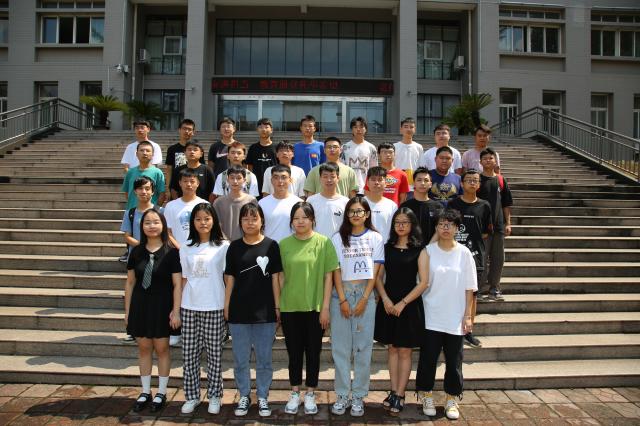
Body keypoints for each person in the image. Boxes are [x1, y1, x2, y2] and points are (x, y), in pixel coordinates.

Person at [278, 202, 339, 415]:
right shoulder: (284, 244)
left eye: (305, 217)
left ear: (312, 219)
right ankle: (295, 392)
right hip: (289, 308)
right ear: (291, 222)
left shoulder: (324, 243)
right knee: (294, 353)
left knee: (314, 352)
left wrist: (325, 308)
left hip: (315, 308)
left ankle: (311, 392)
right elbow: (280, 277)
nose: (300, 221)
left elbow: (329, 277)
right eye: (296, 218)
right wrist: (279, 305)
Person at [417, 209, 477, 421]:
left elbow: (470, 287)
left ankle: (452, 398)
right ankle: (426, 395)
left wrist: (468, 315)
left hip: (455, 316)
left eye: (450, 224)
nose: (445, 228)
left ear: (457, 228)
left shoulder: (464, 253)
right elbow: (421, 283)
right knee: (428, 359)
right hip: (431, 314)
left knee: (454, 361)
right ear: (436, 227)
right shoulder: (428, 251)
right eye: (441, 224)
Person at [223, 203, 282, 417]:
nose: (250, 223)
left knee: (264, 359)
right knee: (241, 359)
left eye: (254, 218)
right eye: (246, 219)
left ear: (261, 221)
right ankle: (244, 395)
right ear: (240, 222)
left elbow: (276, 278)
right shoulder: (234, 247)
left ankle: (263, 396)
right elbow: (229, 278)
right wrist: (227, 305)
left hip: (265, 312)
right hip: (239, 312)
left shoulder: (271, 246)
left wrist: (277, 306)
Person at [329, 196, 384, 417]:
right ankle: (342, 394)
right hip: (340, 295)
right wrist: (342, 299)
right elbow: (335, 269)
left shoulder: (375, 238)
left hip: (365, 295)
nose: (355, 215)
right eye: (351, 211)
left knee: (363, 348)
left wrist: (364, 299)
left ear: (367, 214)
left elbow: (376, 271)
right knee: (340, 349)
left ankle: (359, 395)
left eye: (359, 211)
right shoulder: (337, 238)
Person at [124, 209, 181, 413]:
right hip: (141, 305)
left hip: (162, 306)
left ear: (163, 225)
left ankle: (161, 392)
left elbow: (177, 284)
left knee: (162, 349)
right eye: (147, 222)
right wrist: (128, 311)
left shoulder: (171, 252)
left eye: (156, 222)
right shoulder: (136, 252)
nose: (152, 226)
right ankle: (145, 391)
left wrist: (176, 311)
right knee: (144, 348)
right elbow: (130, 283)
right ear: (142, 227)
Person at [374, 208, 428, 415]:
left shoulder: (420, 250)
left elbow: (424, 282)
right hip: (388, 305)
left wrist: (403, 303)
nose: (401, 225)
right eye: (397, 222)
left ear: (412, 225)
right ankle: (393, 391)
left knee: (405, 351)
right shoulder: (386, 248)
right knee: (392, 349)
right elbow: (378, 278)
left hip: (409, 305)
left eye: (405, 222)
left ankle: (400, 393)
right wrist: (386, 300)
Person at [178, 203, 229, 415]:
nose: (203, 222)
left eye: (207, 218)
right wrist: (176, 308)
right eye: (198, 219)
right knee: (189, 355)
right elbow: (183, 279)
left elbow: (228, 279)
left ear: (214, 221)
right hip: (189, 305)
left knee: (214, 355)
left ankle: (215, 395)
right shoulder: (186, 247)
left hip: (214, 305)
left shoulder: (223, 246)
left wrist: (227, 306)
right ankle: (192, 396)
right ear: (193, 222)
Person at [448, 169, 492, 348]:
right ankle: (450, 329)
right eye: (469, 180)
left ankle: (468, 331)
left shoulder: (485, 205)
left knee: (472, 295)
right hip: (452, 255)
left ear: (479, 184)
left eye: (475, 180)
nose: (472, 183)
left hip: (476, 256)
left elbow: (485, 232)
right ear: (462, 183)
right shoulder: (453, 203)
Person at [478, 148, 513, 302]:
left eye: (491, 158)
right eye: (485, 158)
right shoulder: (476, 179)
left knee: (498, 259)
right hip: (481, 227)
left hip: (498, 226)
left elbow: (506, 203)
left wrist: (508, 223)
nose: (488, 160)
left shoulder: (500, 179)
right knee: (481, 259)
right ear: (480, 162)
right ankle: (478, 289)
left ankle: (495, 289)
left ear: (495, 161)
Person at [164, 168, 207, 249]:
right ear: (180, 183)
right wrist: (180, 248)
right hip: (177, 250)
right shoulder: (170, 206)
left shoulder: (205, 205)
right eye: (185, 181)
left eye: (192, 181)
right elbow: (167, 231)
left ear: (198, 183)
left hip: (200, 250)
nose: (189, 184)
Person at [258, 165, 302, 242]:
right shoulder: (262, 203)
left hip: (292, 247)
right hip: (269, 247)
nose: (280, 181)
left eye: (284, 177)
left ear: (290, 180)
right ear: (271, 180)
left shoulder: (299, 203)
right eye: (276, 177)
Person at [213, 166, 257, 241]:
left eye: (239, 178)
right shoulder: (218, 202)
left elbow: (255, 223)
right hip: (224, 244)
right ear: (227, 180)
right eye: (232, 178)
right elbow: (216, 225)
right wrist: (225, 241)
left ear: (244, 180)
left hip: (247, 243)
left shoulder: (251, 200)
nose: (235, 181)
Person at [400, 168, 443, 244]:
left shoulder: (438, 207)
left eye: (426, 180)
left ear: (430, 184)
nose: (422, 183)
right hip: (409, 248)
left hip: (432, 248)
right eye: (419, 180)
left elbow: (440, 229)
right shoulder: (405, 206)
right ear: (414, 183)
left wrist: (429, 248)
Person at [306, 163, 349, 238]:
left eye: (332, 177)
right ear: (320, 178)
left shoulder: (345, 202)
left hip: (338, 243)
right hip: (316, 243)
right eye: (325, 177)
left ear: (338, 178)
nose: (329, 180)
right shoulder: (311, 201)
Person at [121, 141, 166, 210]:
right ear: (136, 154)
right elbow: (127, 192)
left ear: (153, 154)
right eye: (142, 150)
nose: (144, 153)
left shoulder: (157, 172)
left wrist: (155, 210)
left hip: (150, 212)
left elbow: (162, 194)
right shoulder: (130, 172)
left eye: (148, 151)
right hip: (132, 211)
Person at [341, 117, 378, 194]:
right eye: (355, 127)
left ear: (366, 129)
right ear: (352, 129)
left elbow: (374, 170)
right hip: (348, 188)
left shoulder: (371, 148)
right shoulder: (344, 147)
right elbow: (341, 169)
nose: (358, 129)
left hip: (366, 189)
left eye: (361, 127)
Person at [165, 118, 197, 201]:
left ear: (193, 132)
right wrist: (168, 188)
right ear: (179, 130)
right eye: (184, 128)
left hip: (192, 186)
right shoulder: (172, 149)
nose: (187, 131)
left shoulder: (197, 150)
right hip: (176, 187)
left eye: (189, 129)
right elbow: (169, 170)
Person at [364, 166, 398, 240]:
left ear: (385, 183)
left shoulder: (392, 206)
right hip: (364, 245)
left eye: (380, 180)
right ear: (367, 183)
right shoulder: (359, 203)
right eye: (373, 179)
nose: (376, 182)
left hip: (385, 245)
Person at [246, 118, 277, 197]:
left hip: (273, 183)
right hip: (256, 184)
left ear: (271, 130)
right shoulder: (253, 148)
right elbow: (249, 166)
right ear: (257, 130)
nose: (263, 130)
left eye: (266, 127)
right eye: (261, 127)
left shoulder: (276, 148)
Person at [393, 118, 423, 195]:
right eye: (406, 127)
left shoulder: (419, 147)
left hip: (413, 187)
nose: (409, 129)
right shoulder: (394, 146)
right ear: (401, 129)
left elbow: (421, 166)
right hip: (397, 185)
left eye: (411, 127)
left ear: (414, 129)